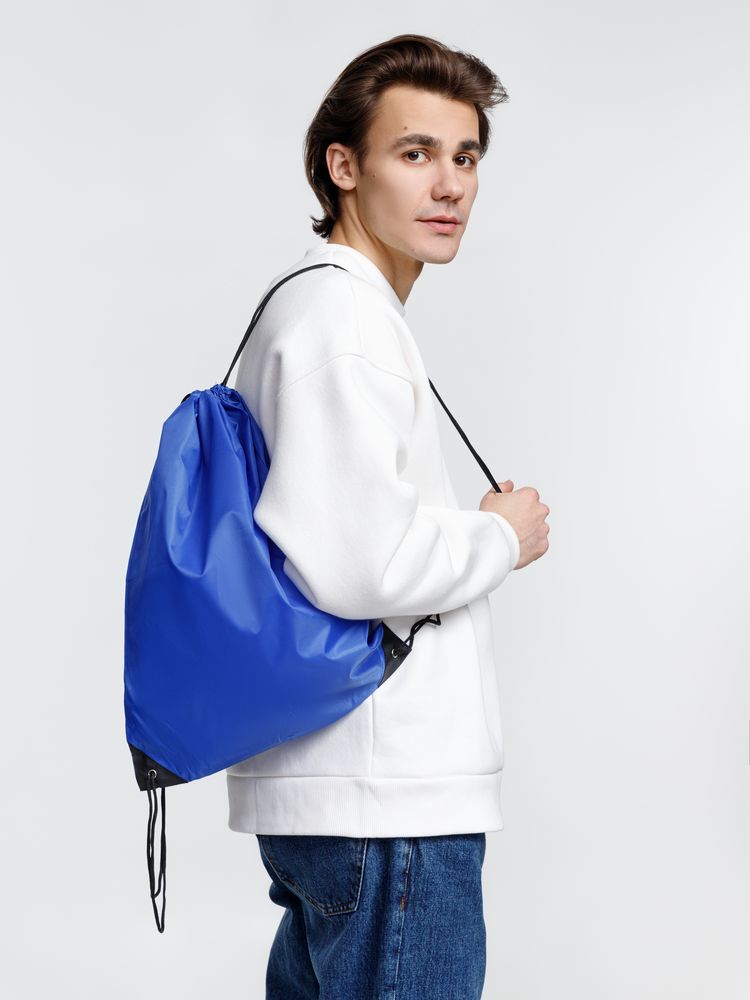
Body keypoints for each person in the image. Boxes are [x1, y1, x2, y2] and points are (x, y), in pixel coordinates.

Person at [226, 32, 551, 1000]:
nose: (449, 185)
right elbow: (362, 563)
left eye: (466, 156)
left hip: (349, 794)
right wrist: (501, 534)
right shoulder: (346, 323)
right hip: (388, 799)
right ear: (344, 167)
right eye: (415, 153)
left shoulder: (325, 308)